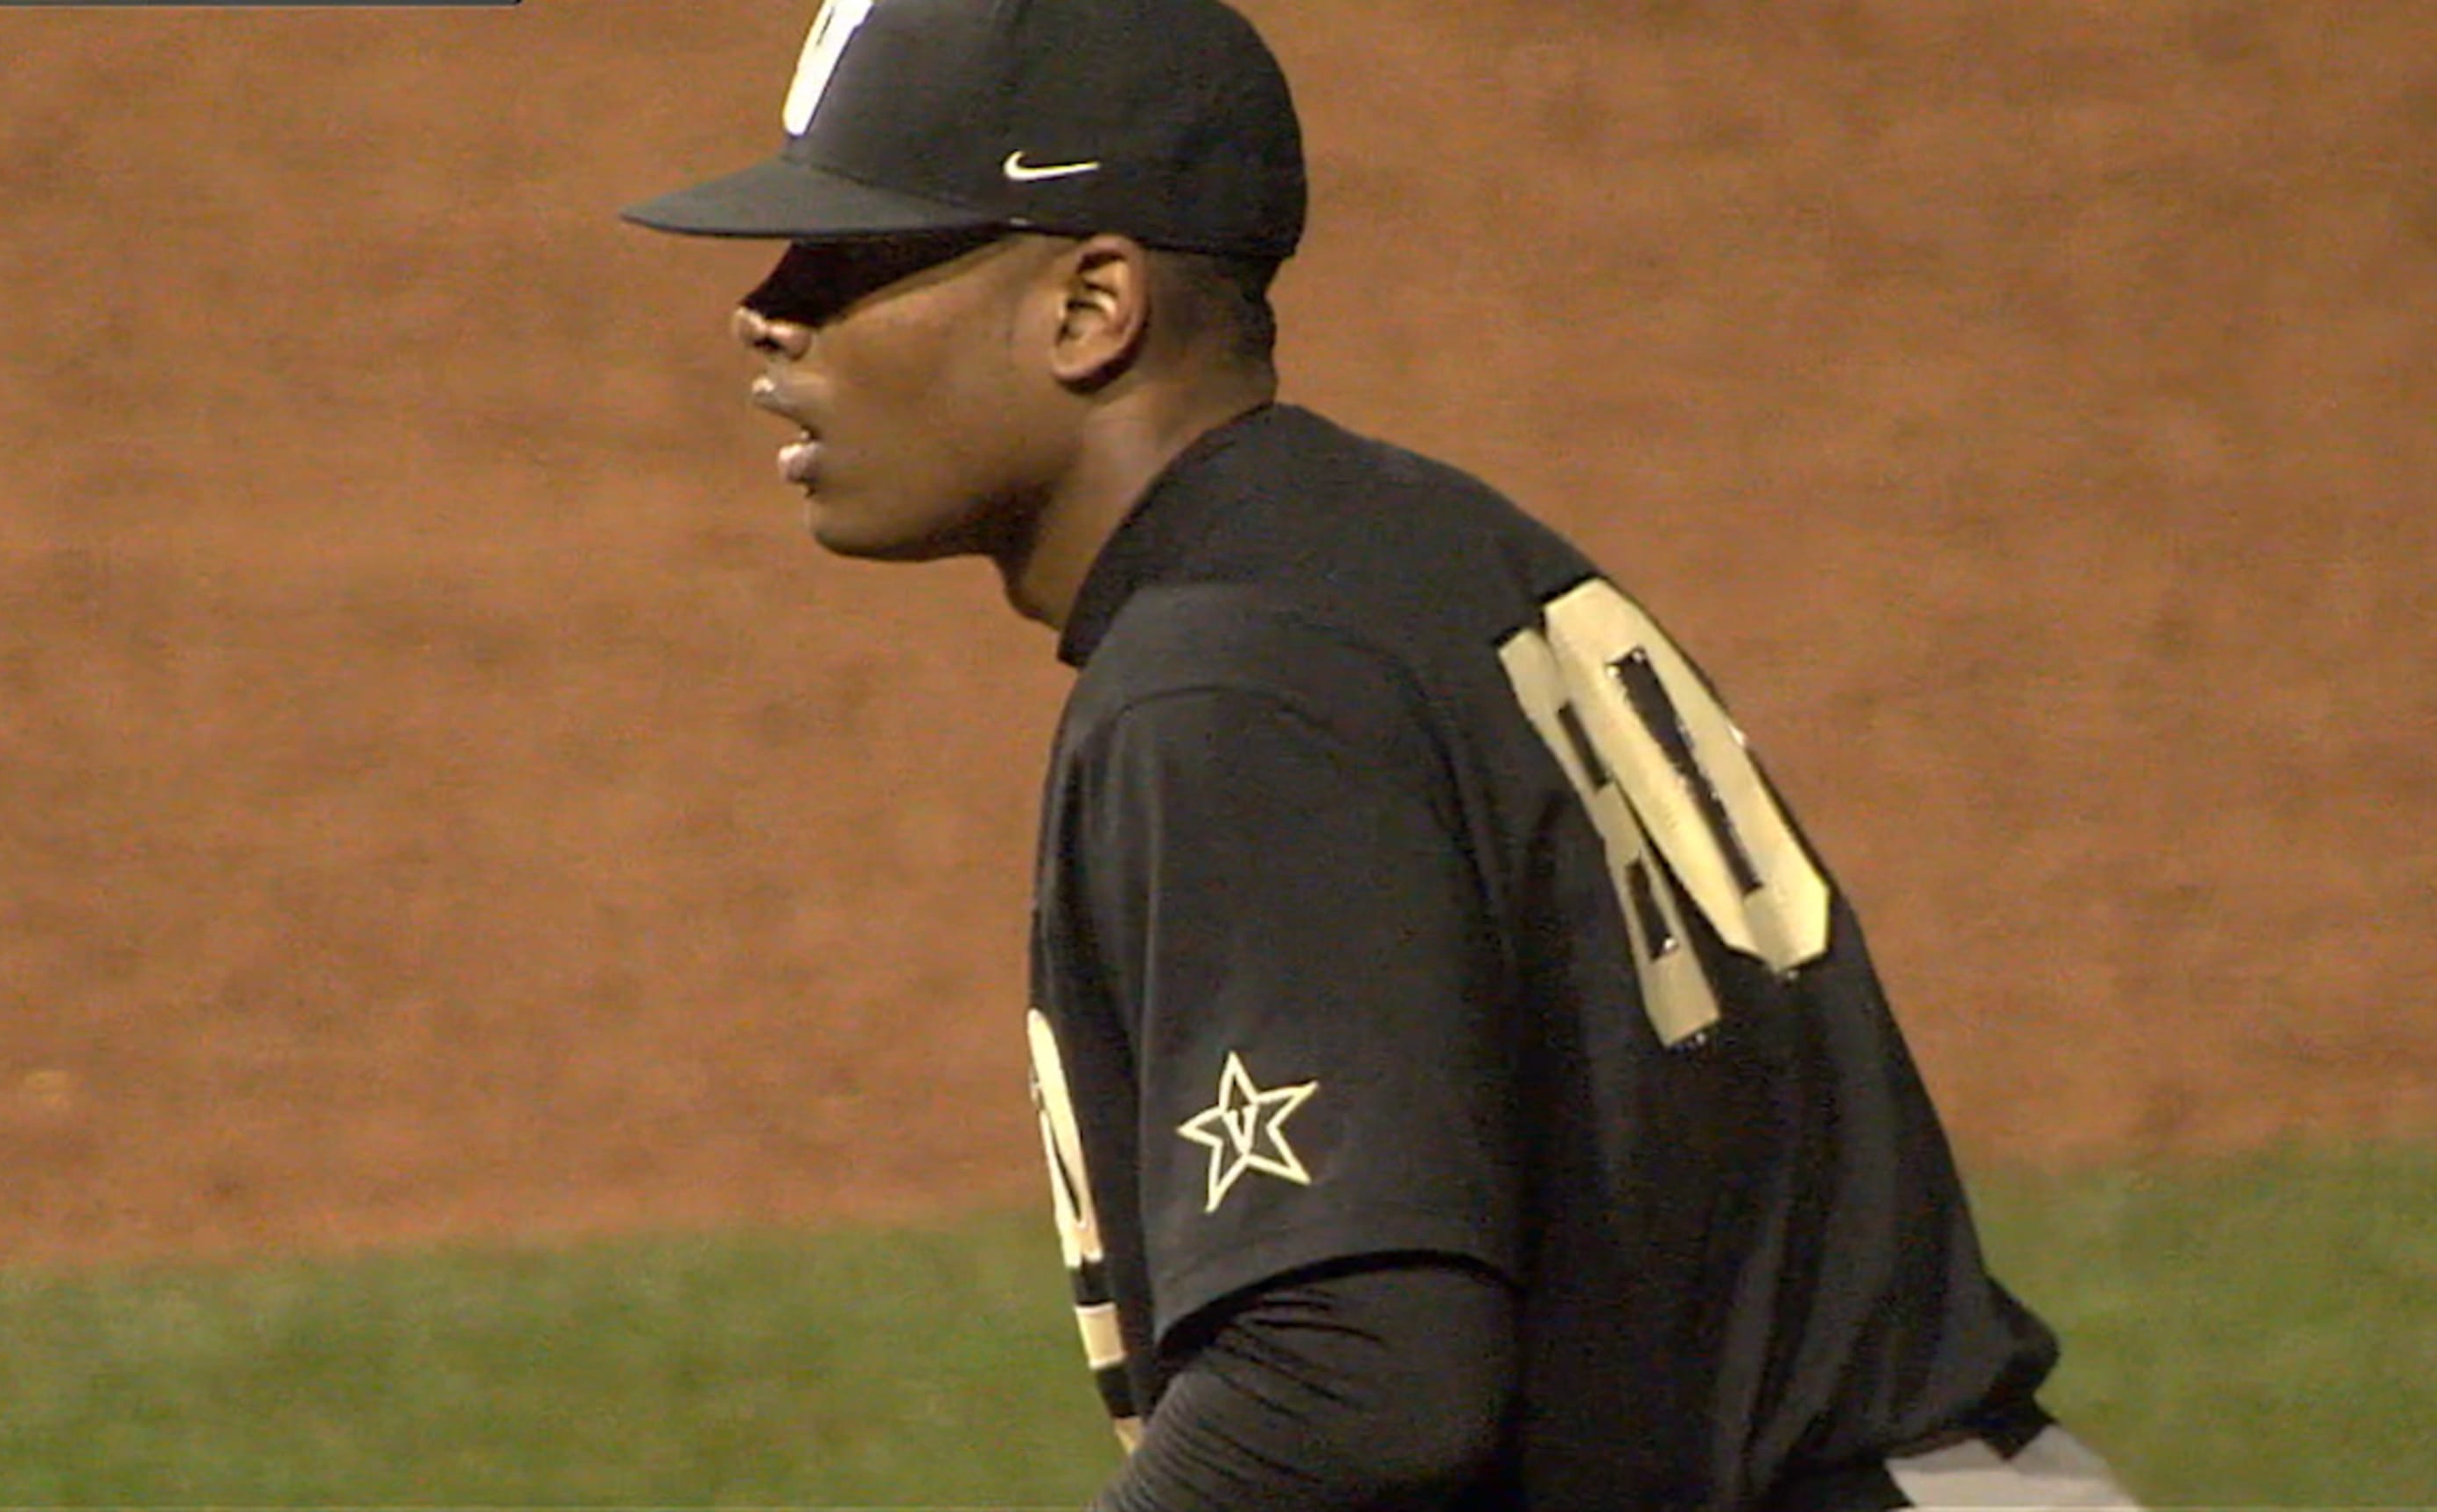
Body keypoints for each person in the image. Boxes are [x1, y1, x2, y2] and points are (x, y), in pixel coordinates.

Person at [625, 1, 2139, 1508]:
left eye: (851, 262)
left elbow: (1352, 1375)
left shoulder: (1223, 682)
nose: (770, 312)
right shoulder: (1403, 546)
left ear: (1092, 308)